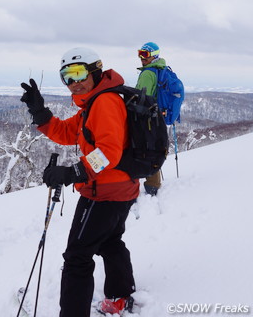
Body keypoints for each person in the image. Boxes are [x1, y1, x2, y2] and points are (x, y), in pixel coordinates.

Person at [20, 47, 137, 317]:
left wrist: (72, 173)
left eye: (79, 73)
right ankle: (119, 297)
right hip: (121, 187)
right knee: (110, 241)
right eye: (67, 76)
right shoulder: (93, 103)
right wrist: (39, 111)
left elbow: (109, 152)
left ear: (95, 70)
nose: (74, 82)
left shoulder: (105, 103)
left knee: (77, 258)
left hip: (104, 192)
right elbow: (65, 132)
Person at [135, 41, 167, 196]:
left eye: (145, 54)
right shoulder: (160, 69)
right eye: (140, 53)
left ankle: (151, 184)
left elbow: (141, 96)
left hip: (147, 117)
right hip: (157, 116)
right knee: (154, 147)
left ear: (154, 56)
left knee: (145, 148)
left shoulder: (148, 73)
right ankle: (154, 183)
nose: (142, 58)